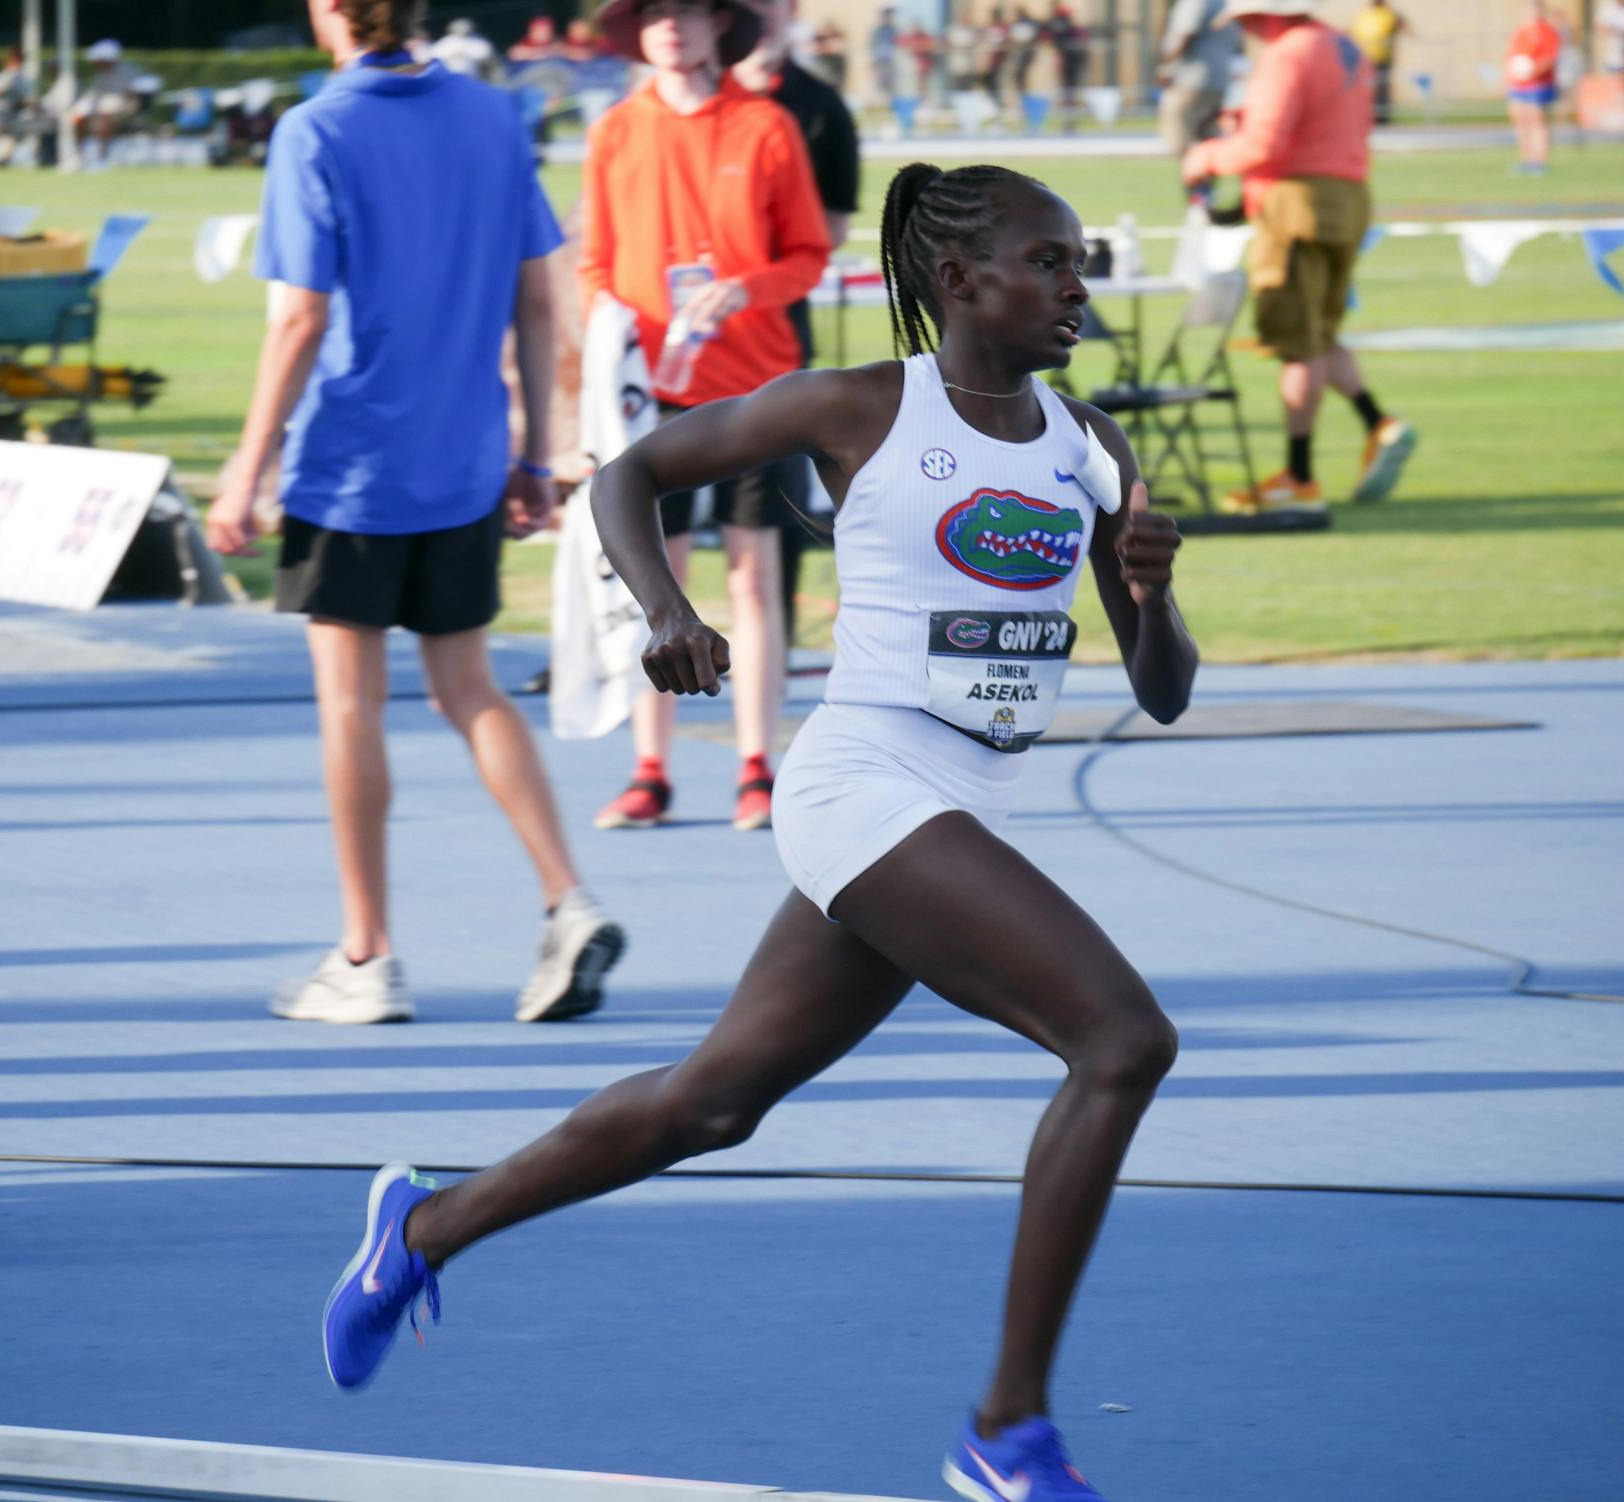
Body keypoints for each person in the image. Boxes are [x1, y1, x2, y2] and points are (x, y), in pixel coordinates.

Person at [318, 162, 1195, 1502]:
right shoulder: (858, 406)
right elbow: (629, 475)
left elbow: (1163, 690)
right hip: (865, 785)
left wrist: (1154, 593)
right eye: (1051, 262)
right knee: (1122, 1039)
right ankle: (1006, 1429)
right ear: (960, 281)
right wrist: (668, 613)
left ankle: (424, 1225)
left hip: (960, 807)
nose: (1080, 287)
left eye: (1081, 262)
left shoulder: (1091, 447)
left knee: (714, 1102)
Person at [206, 0, 626, 1027]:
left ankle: (366, 953)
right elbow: (541, 300)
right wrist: (534, 452)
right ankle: (567, 896)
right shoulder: (491, 116)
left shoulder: (315, 129)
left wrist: (246, 466)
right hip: (464, 455)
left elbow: (299, 317)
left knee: (350, 706)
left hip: (352, 465)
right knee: (469, 687)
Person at [582, 0, 831, 834]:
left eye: (688, 11)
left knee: (754, 579)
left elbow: (808, 254)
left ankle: (756, 765)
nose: (672, 27)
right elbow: (596, 265)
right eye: (655, 13)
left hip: (757, 392)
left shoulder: (766, 126)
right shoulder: (616, 130)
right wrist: (610, 337)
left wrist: (745, 289)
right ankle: (650, 769)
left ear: (719, 25)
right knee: (659, 581)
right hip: (650, 394)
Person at [1182, 0, 1416, 513]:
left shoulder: (1286, 54)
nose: (1245, 27)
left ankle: (1300, 476)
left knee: (1296, 345)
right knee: (1320, 334)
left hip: (1294, 204)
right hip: (1348, 196)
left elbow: (1263, 145)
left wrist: (1206, 156)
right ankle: (1379, 424)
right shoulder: (1345, 45)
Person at [733, 0, 859, 643]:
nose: (760, 15)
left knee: (769, 509)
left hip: (775, 328)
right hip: (676, 341)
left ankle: (770, 648)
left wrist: (762, 261)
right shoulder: (696, 97)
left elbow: (832, 226)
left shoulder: (818, 107)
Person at [1156, 0, 1241, 152]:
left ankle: (1195, 166)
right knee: (1208, 137)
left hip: (1190, 79)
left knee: (1179, 135)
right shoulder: (1224, 3)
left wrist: (1166, 67)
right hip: (1218, 79)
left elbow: (1184, 35)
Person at [1506, 1, 1562, 173]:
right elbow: (1511, 57)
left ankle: (1540, 161)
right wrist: (1510, 76)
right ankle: (1527, 159)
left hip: (1539, 82)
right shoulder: (1520, 31)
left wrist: (1533, 71)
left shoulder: (1547, 31)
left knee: (1537, 120)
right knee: (1521, 120)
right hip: (1518, 83)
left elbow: (1550, 58)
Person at [1349, 0, 1409, 125]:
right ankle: (1370, 117)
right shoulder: (1365, 15)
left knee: (1381, 88)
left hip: (1381, 58)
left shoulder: (1389, 15)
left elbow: (1404, 25)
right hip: (1365, 59)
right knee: (1368, 89)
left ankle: (1382, 118)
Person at [431, 18, 497, 79]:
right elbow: (434, 56)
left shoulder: (476, 40)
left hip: (472, 76)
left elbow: (485, 55)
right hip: (450, 77)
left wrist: (465, 54)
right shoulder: (446, 42)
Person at [869, 5, 899, 110]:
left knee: (891, 84)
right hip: (880, 61)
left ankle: (891, 105)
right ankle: (879, 106)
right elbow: (872, 47)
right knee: (878, 84)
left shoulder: (894, 30)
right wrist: (873, 62)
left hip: (891, 62)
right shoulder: (877, 31)